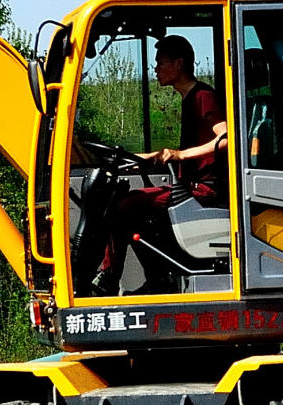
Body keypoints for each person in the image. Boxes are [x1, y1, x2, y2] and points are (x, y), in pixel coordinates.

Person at [85, 35, 229, 295]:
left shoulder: (203, 97)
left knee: (124, 206)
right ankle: (157, 280)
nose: (156, 69)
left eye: (161, 62)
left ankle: (108, 277)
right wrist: (147, 157)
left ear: (179, 63)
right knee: (138, 219)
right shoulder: (189, 99)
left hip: (203, 190)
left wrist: (181, 155)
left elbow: (227, 138)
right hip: (190, 186)